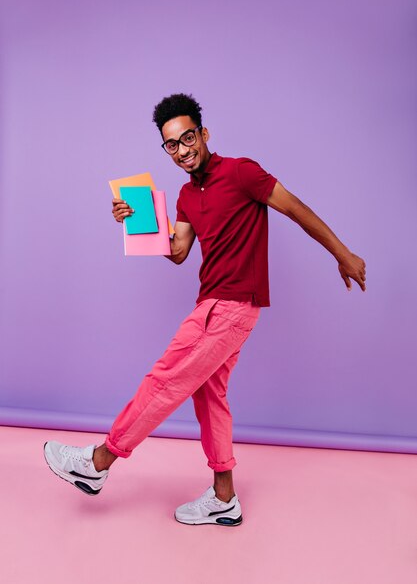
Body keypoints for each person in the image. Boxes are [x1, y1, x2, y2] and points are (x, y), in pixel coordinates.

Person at [44, 93, 366, 526]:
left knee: (165, 379)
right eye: (172, 145)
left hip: (232, 306)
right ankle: (224, 497)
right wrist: (135, 219)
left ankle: (99, 463)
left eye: (188, 137)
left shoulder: (240, 172)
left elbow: (294, 209)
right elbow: (178, 251)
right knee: (208, 395)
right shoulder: (184, 195)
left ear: (204, 133)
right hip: (212, 301)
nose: (183, 150)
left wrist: (341, 253)